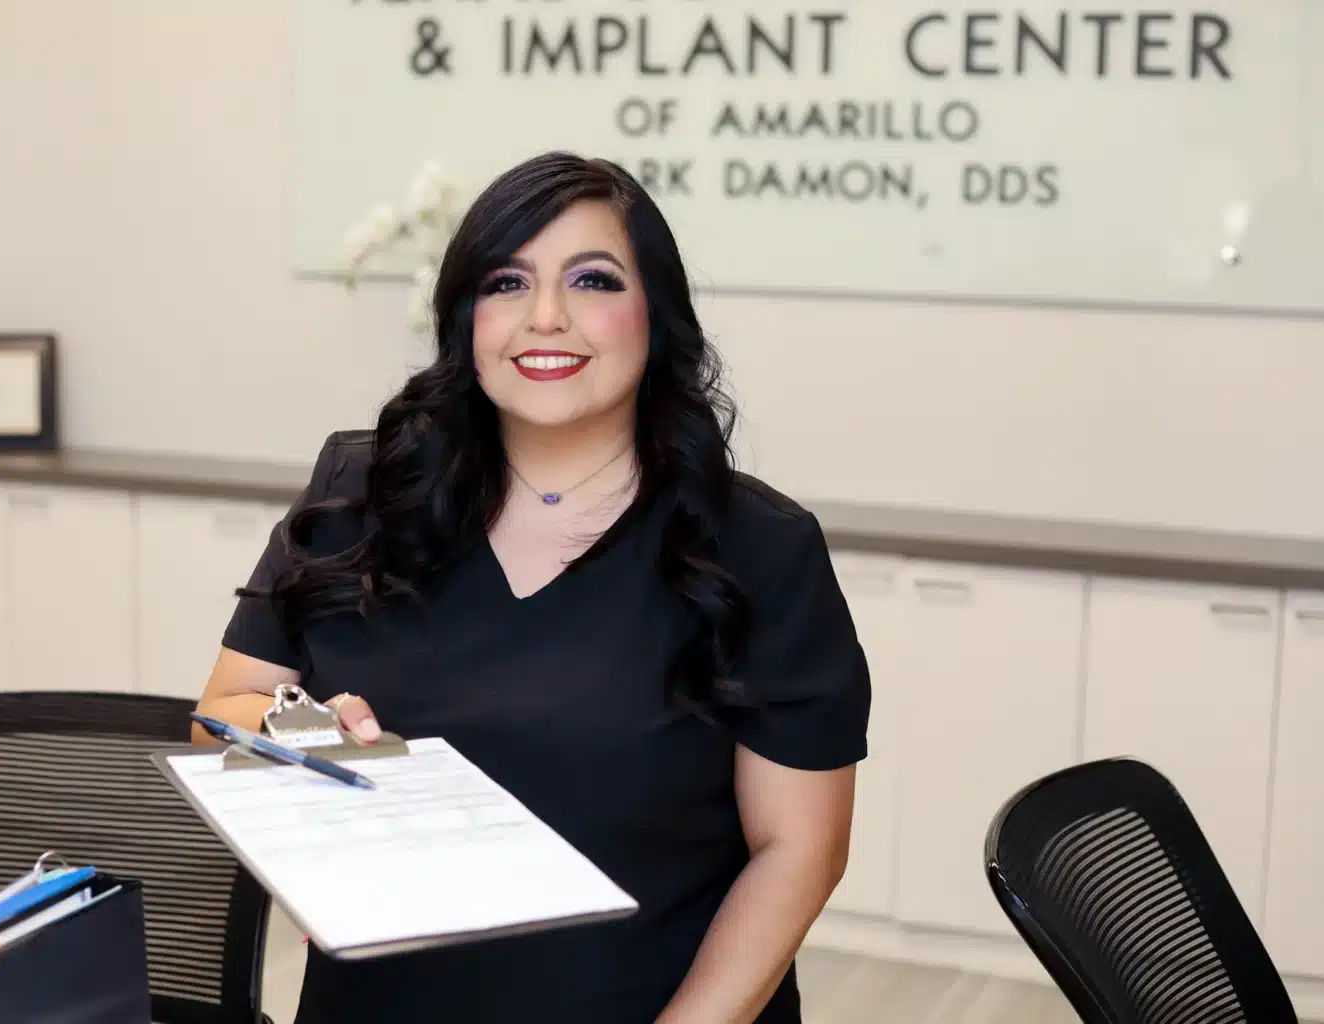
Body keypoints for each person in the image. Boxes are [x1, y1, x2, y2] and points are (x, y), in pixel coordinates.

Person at [193, 151, 871, 1023]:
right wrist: (306, 741)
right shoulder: (360, 491)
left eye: (592, 280)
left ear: (656, 318)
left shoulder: (757, 547)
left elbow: (799, 849)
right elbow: (225, 709)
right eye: (506, 283)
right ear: (466, 318)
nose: (544, 318)